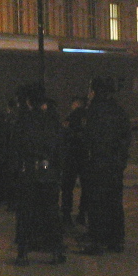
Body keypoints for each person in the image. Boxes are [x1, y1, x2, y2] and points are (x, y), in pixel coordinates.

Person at [8, 83, 65, 266]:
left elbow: (15, 149)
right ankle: (56, 251)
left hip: (29, 172)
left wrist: (15, 172)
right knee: (51, 212)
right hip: (49, 173)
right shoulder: (53, 121)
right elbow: (61, 149)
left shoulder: (23, 122)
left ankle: (23, 252)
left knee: (26, 213)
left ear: (28, 102)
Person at [80, 76, 131, 255]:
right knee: (114, 202)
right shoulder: (118, 110)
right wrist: (121, 160)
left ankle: (97, 240)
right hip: (114, 164)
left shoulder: (94, 111)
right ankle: (116, 239)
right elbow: (126, 138)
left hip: (98, 162)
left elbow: (89, 138)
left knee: (96, 203)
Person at [60, 95, 88, 226]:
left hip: (71, 156)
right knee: (86, 187)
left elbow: (64, 134)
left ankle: (66, 214)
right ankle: (82, 213)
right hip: (85, 156)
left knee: (67, 187)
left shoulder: (71, 116)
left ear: (76, 103)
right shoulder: (89, 117)